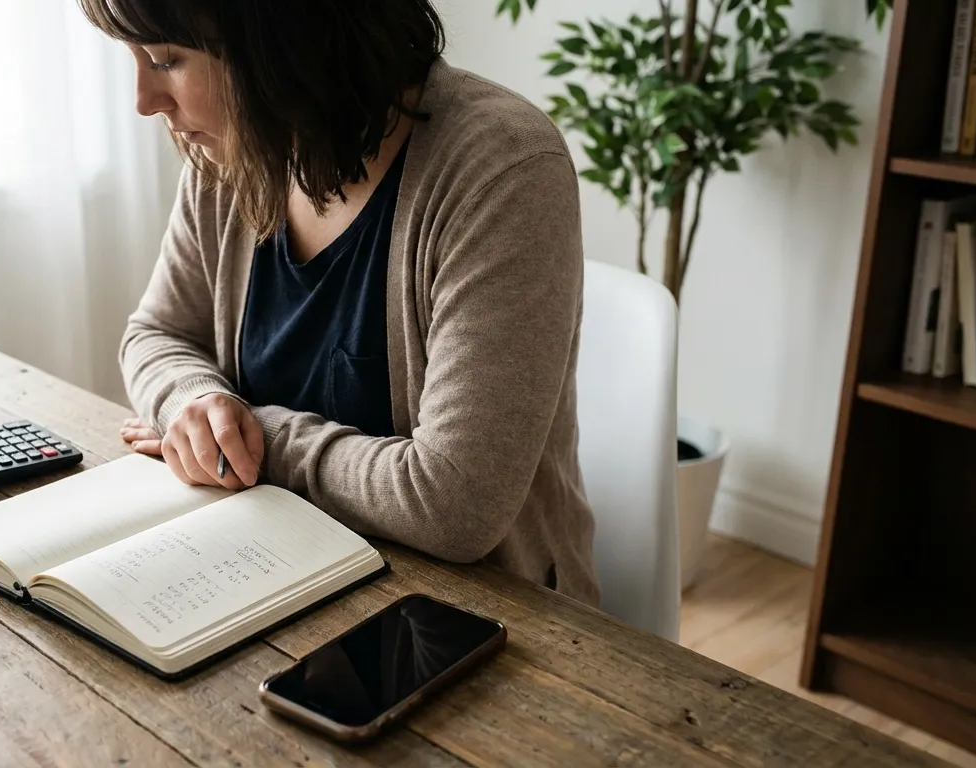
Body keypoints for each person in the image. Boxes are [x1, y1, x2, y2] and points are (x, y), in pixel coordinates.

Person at [79, 0, 600, 607]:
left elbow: (455, 504)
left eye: (167, 60)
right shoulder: (229, 149)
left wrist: (252, 436)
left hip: (489, 615)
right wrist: (196, 400)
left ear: (284, 43)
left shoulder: (503, 168)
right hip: (266, 565)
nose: (144, 100)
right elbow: (158, 332)